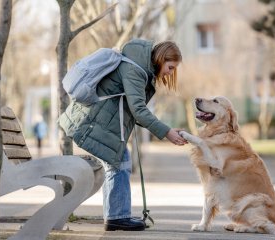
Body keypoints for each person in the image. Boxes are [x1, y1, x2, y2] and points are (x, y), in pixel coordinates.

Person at [59, 38, 187, 231]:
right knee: (118, 163)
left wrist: (165, 129)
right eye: (170, 67)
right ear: (161, 59)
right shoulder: (135, 70)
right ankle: (117, 217)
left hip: (95, 122)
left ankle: (117, 215)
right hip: (91, 123)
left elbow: (132, 110)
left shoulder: (137, 66)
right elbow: (138, 110)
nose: (170, 73)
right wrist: (166, 132)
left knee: (119, 161)